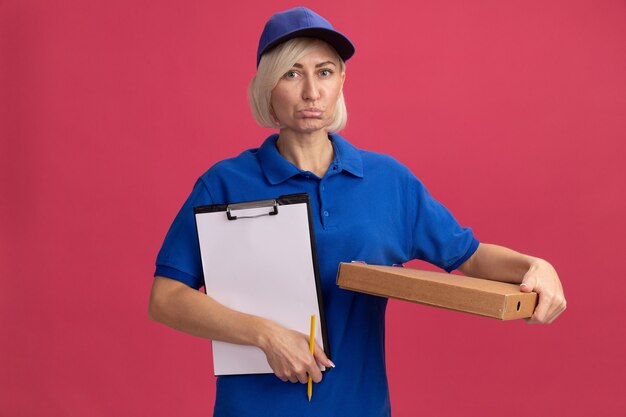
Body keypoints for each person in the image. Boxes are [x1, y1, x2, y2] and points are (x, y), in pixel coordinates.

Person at [149, 7, 566, 417]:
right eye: (292, 73)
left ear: (341, 81)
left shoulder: (388, 181)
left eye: (325, 72)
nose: (312, 91)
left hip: (361, 407)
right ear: (267, 86)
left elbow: (470, 256)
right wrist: (266, 335)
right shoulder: (225, 183)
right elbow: (166, 298)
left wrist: (536, 265)